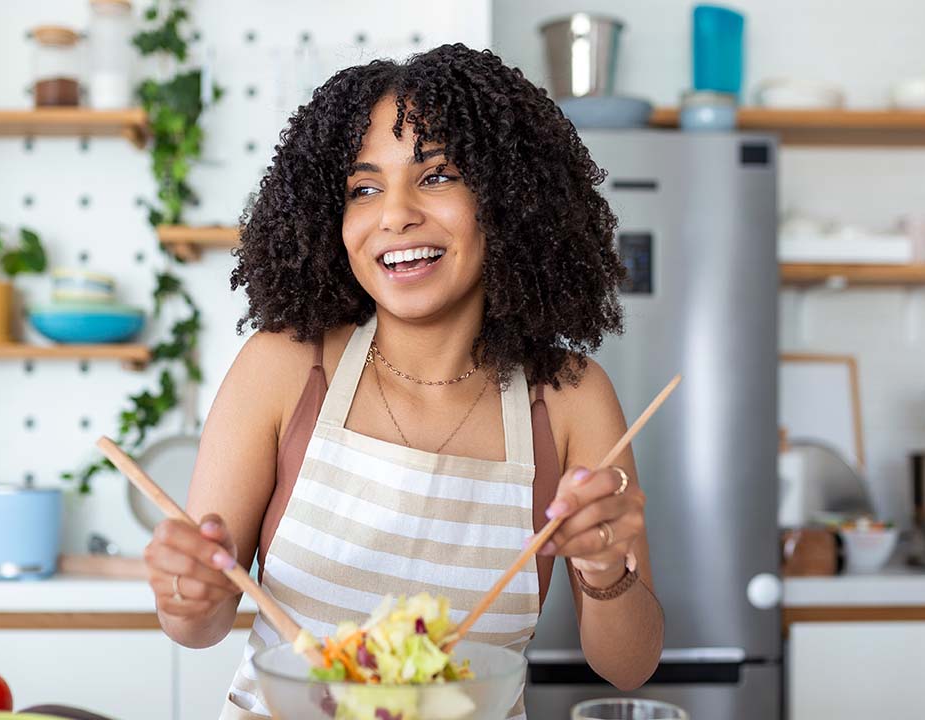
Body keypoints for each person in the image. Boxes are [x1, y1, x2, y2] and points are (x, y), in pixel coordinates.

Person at [142, 43, 664, 719]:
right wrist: (189, 595)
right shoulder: (283, 368)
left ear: (507, 196)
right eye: (364, 188)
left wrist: (605, 568)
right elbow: (200, 627)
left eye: (437, 176)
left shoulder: (568, 398)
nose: (395, 215)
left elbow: (630, 666)